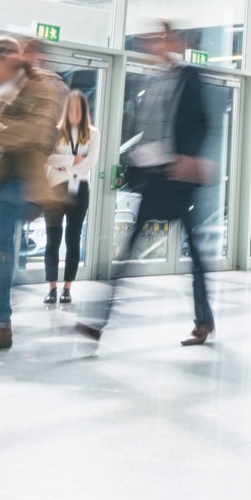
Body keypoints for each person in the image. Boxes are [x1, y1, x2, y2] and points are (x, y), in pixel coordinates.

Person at [76, 25, 209, 348]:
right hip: (154, 179)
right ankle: (98, 321)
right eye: (153, 41)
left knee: (196, 258)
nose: (157, 45)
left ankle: (203, 321)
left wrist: (188, 157)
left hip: (179, 180)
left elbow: (201, 121)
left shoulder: (188, 76)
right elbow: (146, 130)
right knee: (127, 253)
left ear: (176, 43)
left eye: (164, 40)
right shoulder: (147, 81)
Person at [0, 35, 68, 352]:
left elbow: (31, 134)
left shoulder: (46, 85)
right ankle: (1, 308)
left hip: (20, 181)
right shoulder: (9, 87)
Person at [39, 90, 97, 306]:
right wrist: (73, 159)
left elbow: (90, 163)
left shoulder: (93, 134)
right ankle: (52, 288)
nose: (75, 112)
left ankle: (67, 288)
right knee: (52, 239)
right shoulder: (55, 133)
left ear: (84, 111)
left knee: (73, 239)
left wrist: (65, 164)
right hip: (55, 189)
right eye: (71, 108)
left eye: (78, 109)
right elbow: (49, 159)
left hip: (79, 190)